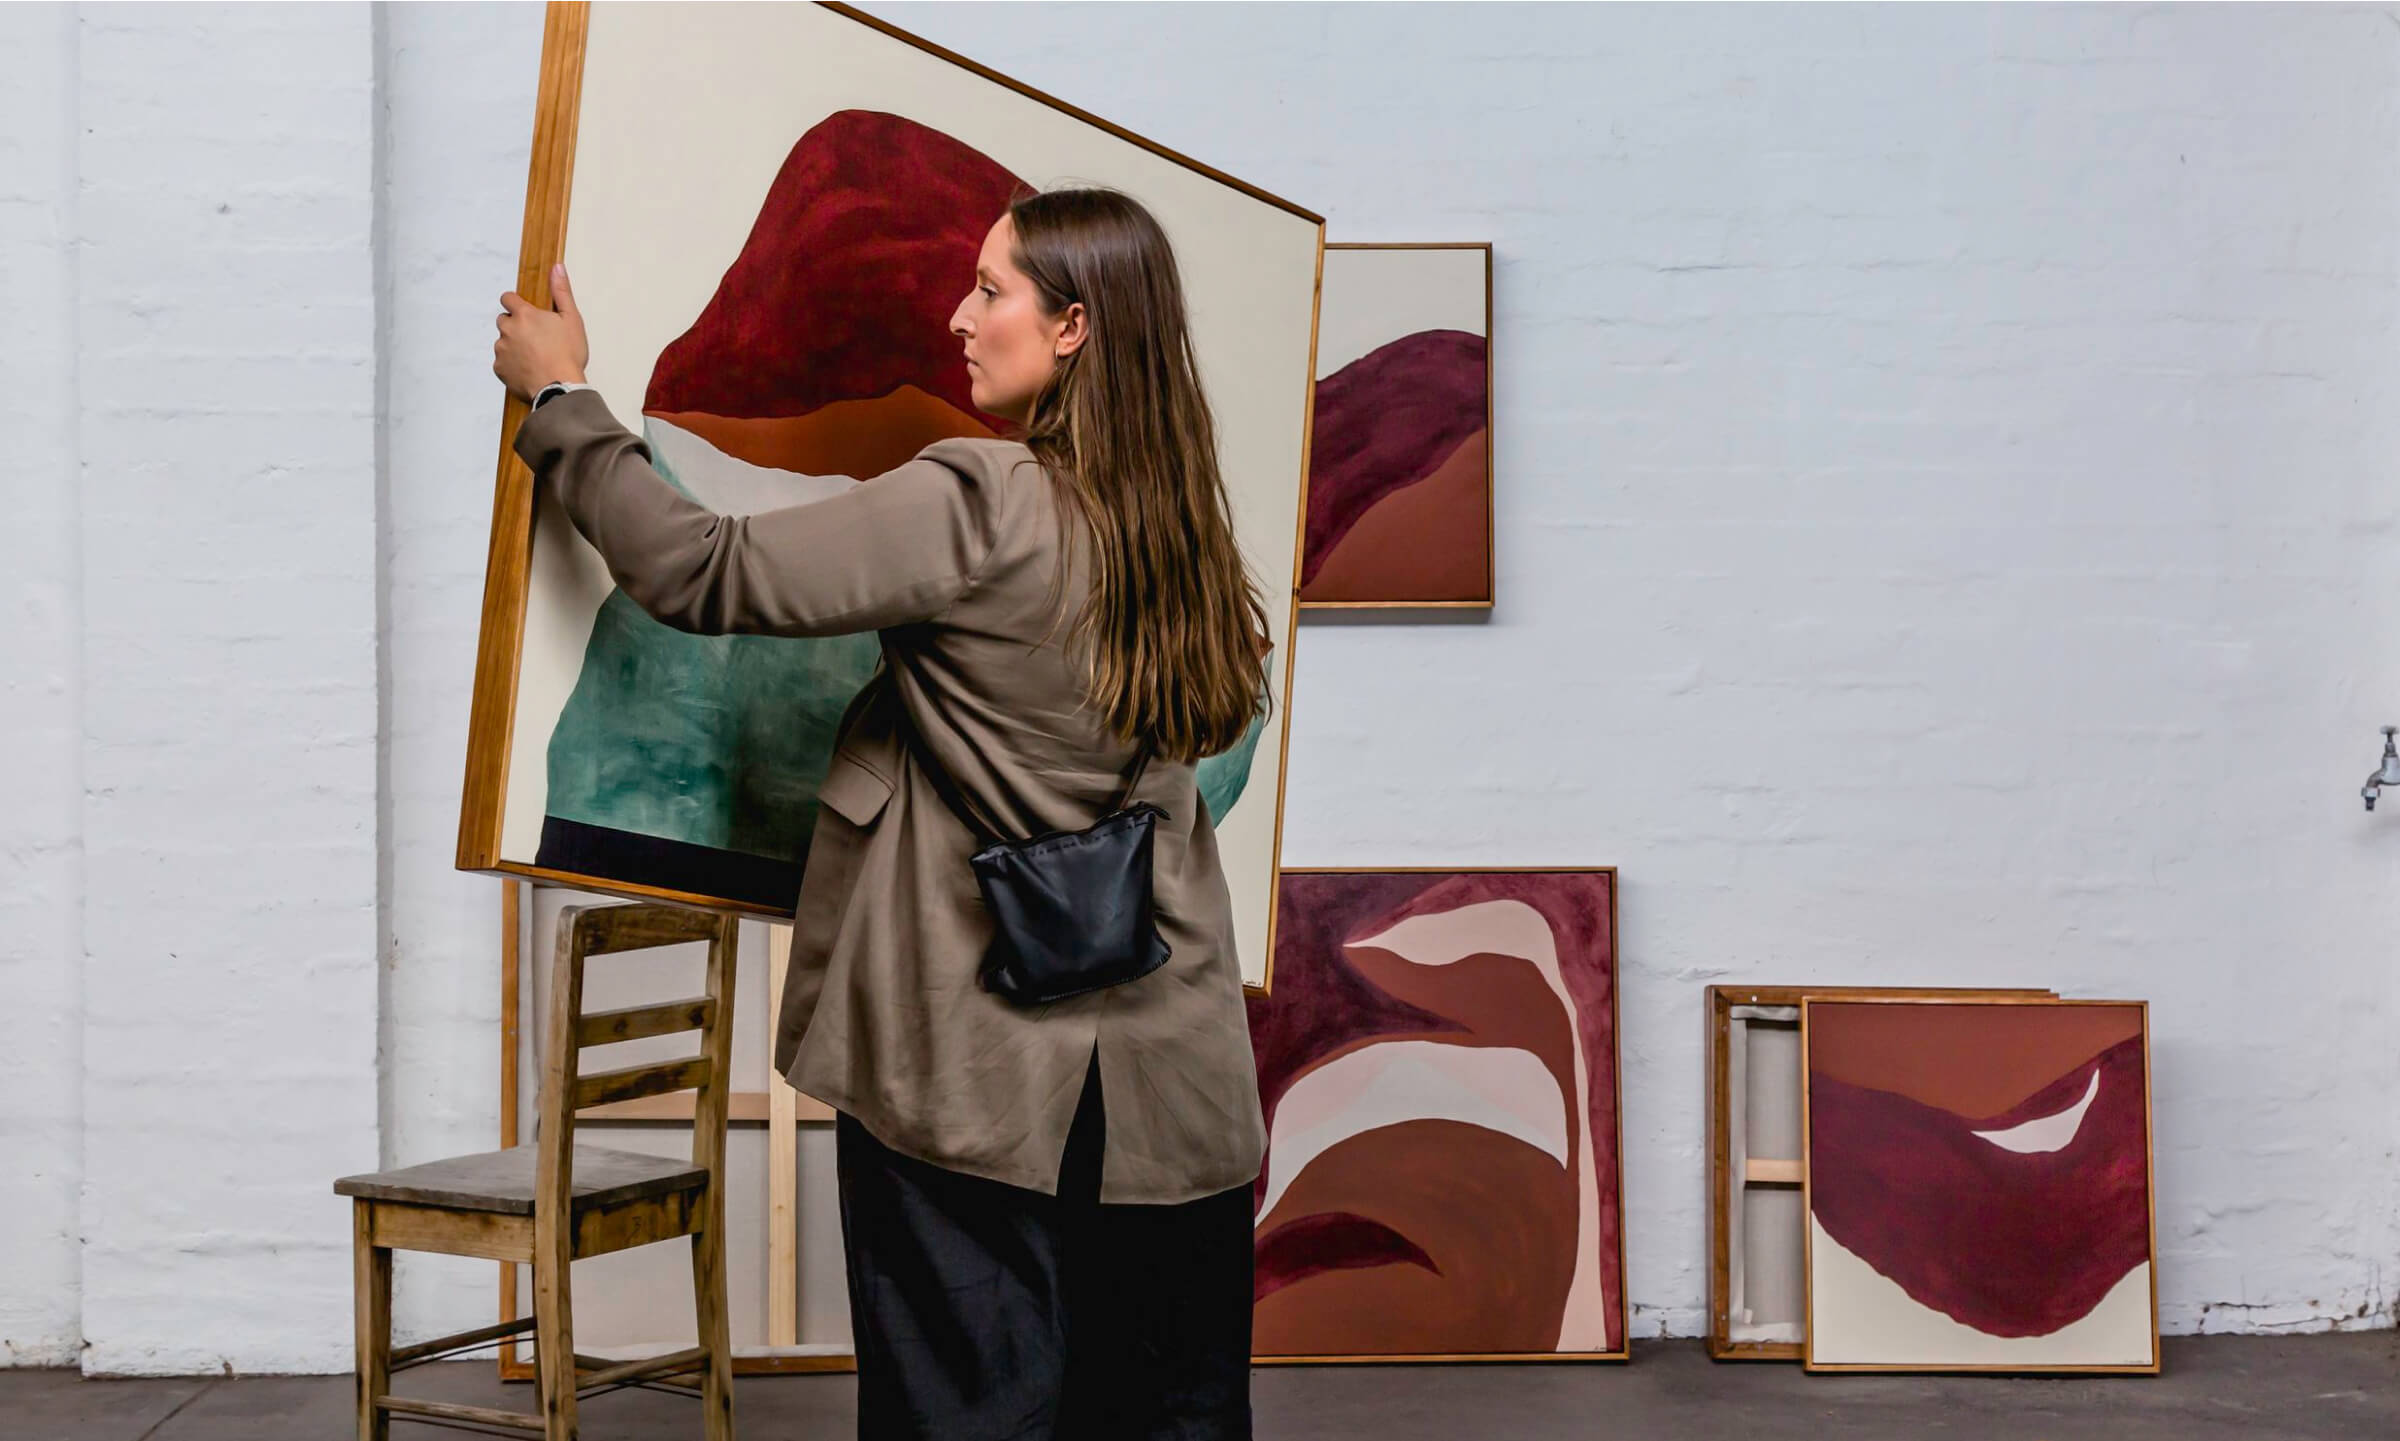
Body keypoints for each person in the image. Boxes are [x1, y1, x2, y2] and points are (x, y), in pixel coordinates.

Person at [493, 187, 1270, 1441]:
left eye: (992, 291)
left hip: (973, 1077)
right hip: (1178, 1096)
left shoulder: (981, 499)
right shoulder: (1189, 537)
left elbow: (701, 568)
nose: (960, 319)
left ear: (1073, 328)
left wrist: (561, 400)